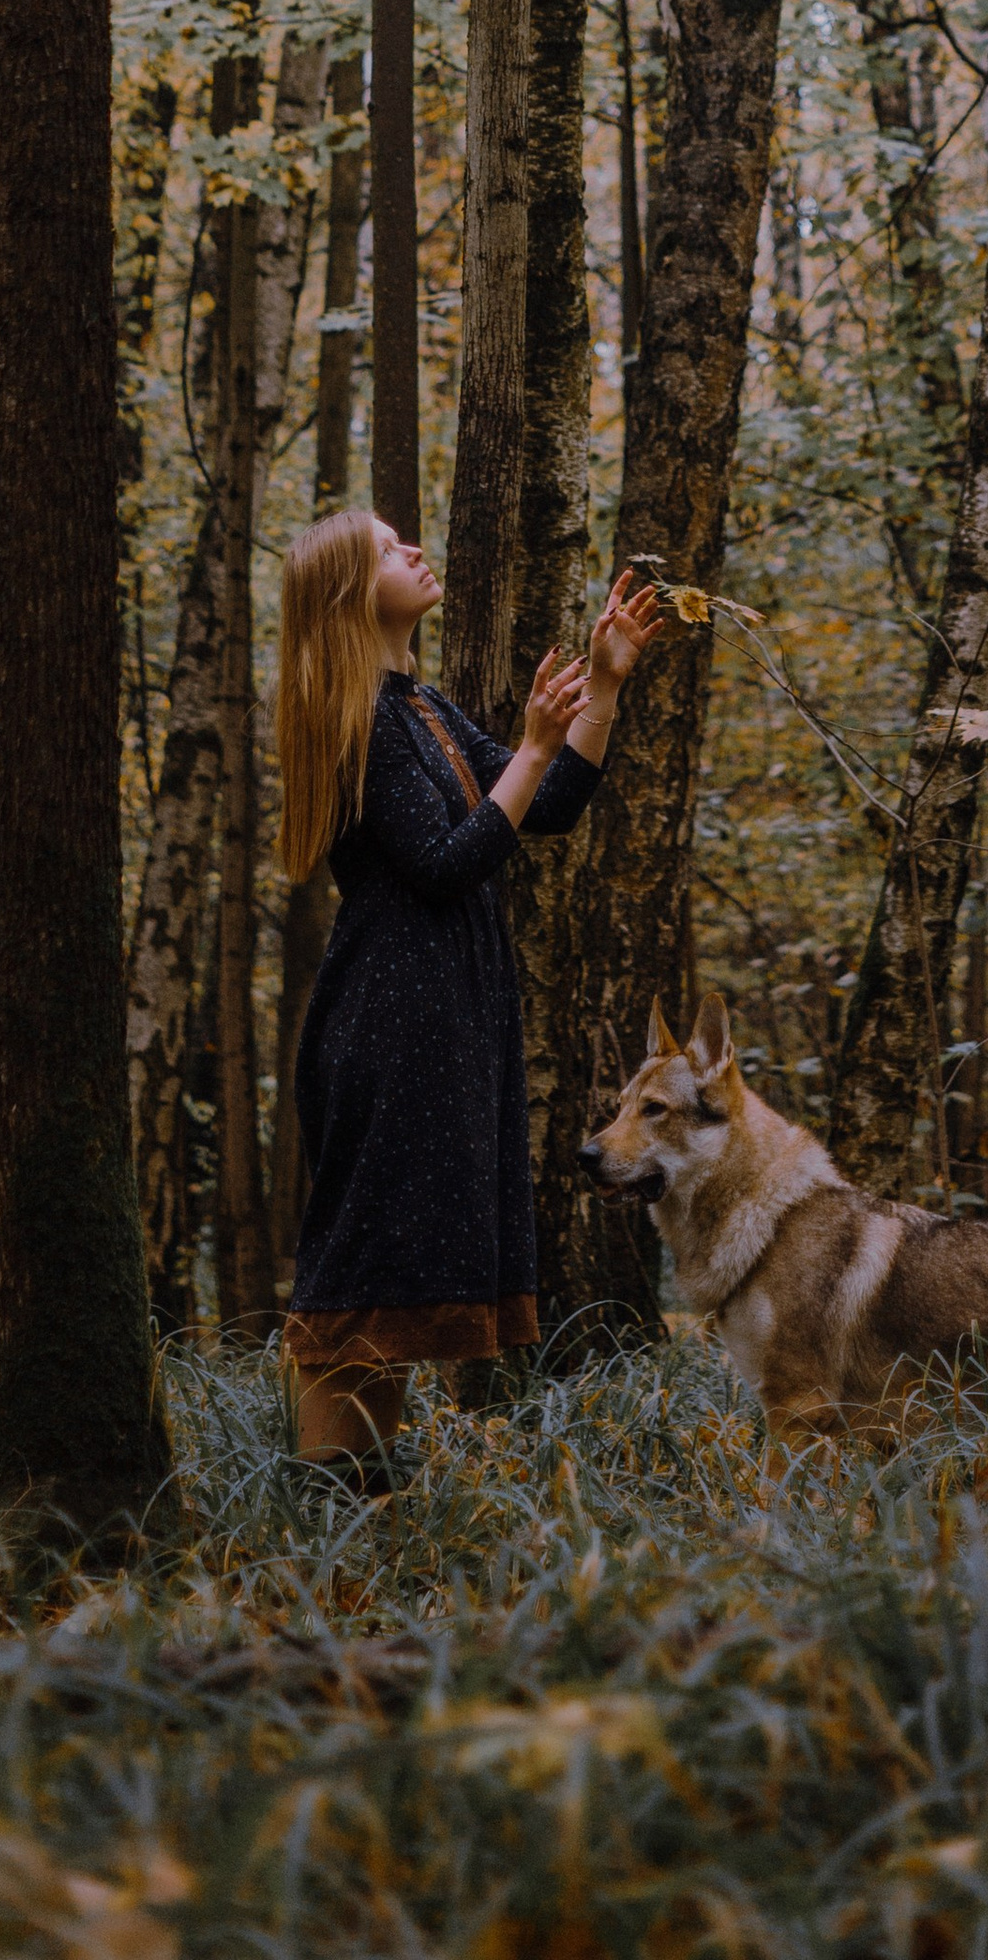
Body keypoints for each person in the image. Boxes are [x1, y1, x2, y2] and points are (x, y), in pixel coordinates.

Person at [274, 507, 660, 1481]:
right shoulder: (354, 715)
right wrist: (531, 744)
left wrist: (601, 689)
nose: (414, 550)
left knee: (396, 1272)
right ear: (348, 591)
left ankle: (366, 1509)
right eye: (388, 548)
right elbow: (449, 862)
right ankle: (328, 1504)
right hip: (388, 1017)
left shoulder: (424, 709)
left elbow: (550, 808)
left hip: (446, 1014)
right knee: (362, 1262)